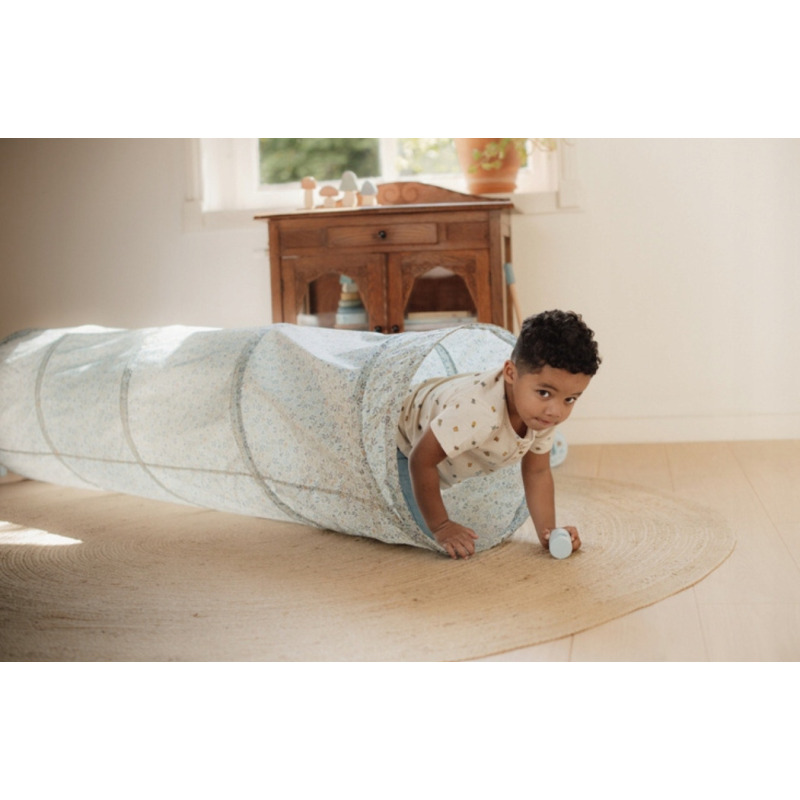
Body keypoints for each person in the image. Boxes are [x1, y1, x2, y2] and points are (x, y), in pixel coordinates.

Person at [396, 309, 601, 559]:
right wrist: (441, 526)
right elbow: (421, 460)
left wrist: (550, 535)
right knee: (417, 531)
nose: (556, 411)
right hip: (400, 442)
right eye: (544, 393)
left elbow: (537, 472)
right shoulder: (477, 412)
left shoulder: (541, 415)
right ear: (511, 373)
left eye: (570, 399)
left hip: (438, 446)